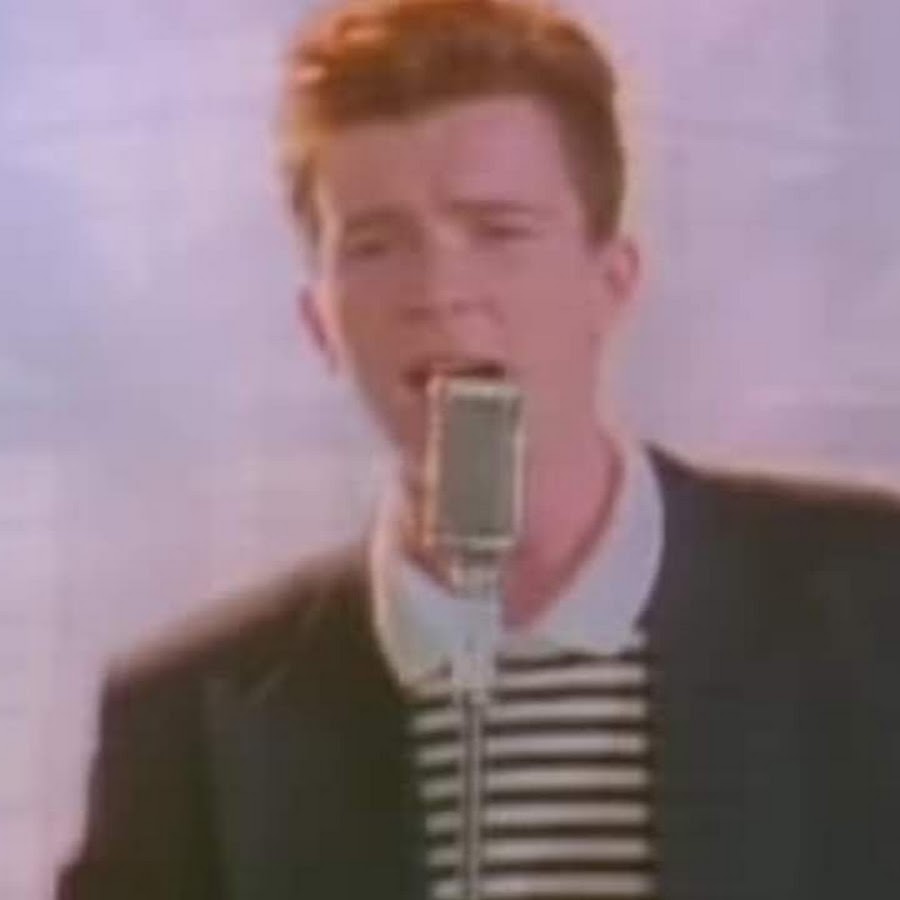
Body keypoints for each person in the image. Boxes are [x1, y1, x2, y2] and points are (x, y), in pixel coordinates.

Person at [57, 1, 900, 898]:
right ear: (321, 322)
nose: (440, 290)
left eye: (498, 231)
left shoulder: (872, 603)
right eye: (376, 246)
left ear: (611, 282)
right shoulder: (188, 719)